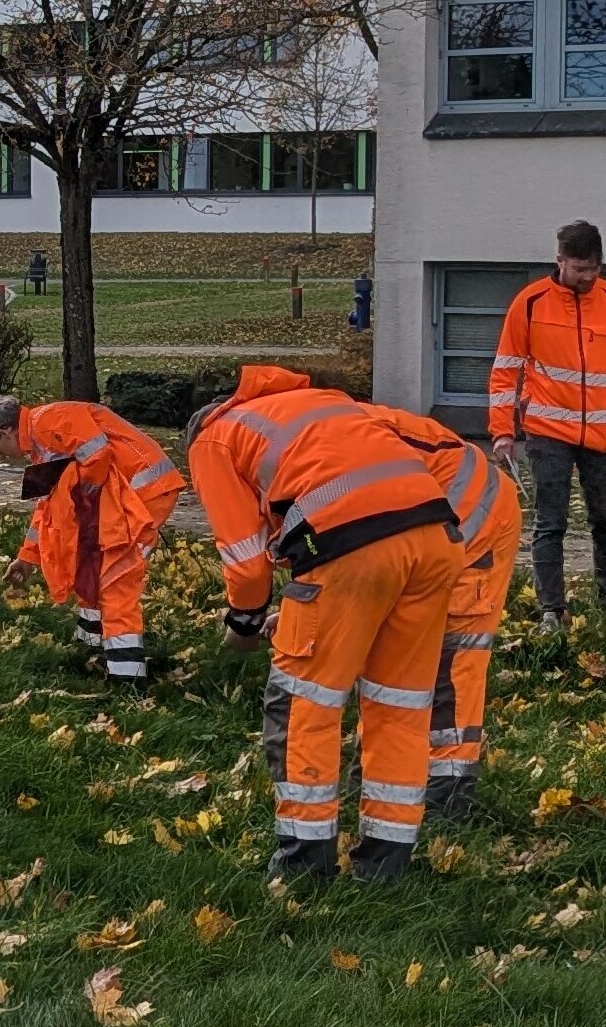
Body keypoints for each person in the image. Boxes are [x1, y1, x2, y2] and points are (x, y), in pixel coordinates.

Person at [191, 364, 464, 883]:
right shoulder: (318, 403)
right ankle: (385, 864)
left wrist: (244, 625)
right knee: (399, 704)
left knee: (303, 705)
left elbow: (247, 562)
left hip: (351, 549)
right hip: (435, 540)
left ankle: (304, 865)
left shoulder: (212, 442)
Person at [354, 388, 522, 815]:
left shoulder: (338, 444)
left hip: (474, 522)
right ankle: (387, 767)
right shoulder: (324, 437)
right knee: (388, 650)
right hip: (427, 520)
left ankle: (449, 788)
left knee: (453, 660)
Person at [487, 220, 606, 629]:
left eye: (594, 268)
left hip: (605, 435)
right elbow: (505, 371)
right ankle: (551, 609)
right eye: (580, 268)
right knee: (550, 523)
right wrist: (503, 431)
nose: (588, 276)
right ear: (560, 260)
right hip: (548, 433)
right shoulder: (530, 303)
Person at [0, 392, 180, 681]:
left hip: (143, 495)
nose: (0, 454)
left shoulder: (49, 424)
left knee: (114, 578)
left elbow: (97, 456)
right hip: (127, 499)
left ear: (4, 432)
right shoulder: (43, 437)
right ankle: (90, 648)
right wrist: (26, 558)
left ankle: (127, 678)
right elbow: (50, 509)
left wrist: (83, 497)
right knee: (89, 566)